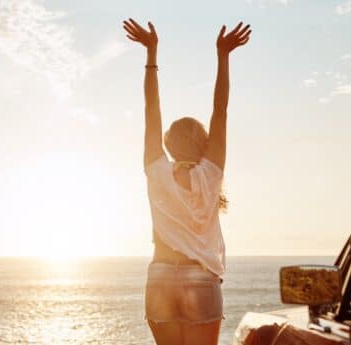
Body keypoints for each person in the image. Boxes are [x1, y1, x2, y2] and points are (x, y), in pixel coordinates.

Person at [122, 18, 251, 345]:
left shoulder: (156, 170)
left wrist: (152, 52)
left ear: (169, 144)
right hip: (200, 279)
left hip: (161, 277)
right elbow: (220, 109)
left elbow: (151, 108)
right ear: (203, 143)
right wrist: (223, 57)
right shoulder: (211, 173)